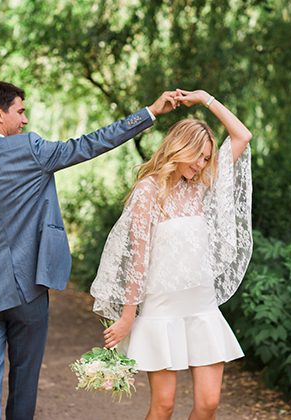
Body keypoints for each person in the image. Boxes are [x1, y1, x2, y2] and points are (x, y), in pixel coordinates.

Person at [0, 80, 179, 420]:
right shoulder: (31, 149)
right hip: (28, 290)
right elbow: (92, 143)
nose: (25, 121)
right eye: (20, 112)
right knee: (25, 382)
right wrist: (150, 113)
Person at [90, 89, 253, 420]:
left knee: (208, 404)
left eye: (207, 158)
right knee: (163, 407)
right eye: (198, 155)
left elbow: (242, 135)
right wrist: (126, 317)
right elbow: (139, 260)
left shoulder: (202, 185)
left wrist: (205, 98)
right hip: (161, 309)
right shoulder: (148, 191)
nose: (202, 164)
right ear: (181, 147)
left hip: (201, 306)